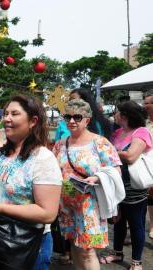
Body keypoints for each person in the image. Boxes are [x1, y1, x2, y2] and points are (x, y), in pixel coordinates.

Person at [0, 94, 62, 270]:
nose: (7, 119)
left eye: (14, 114)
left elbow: (48, 213)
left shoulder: (43, 159)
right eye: (5, 114)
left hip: (28, 246)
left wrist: (1, 208)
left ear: (33, 121)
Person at [53, 99, 121, 270]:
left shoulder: (100, 143)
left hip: (90, 204)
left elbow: (115, 171)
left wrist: (96, 177)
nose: (71, 121)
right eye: (67, 116)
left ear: (87, 120)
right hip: (66, 203)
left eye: (77, 117)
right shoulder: (61, 144)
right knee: (74, 245)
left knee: (88, 250)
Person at [100, 101, 151, 270]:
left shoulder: (141, 132)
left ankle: (137, 261)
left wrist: (109, 152)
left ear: (124, 115)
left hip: (134, 188)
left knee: (136, 223)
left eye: (117, 112)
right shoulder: (117, 133)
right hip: (115, 186)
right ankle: (117, 252)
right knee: (118, 222)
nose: (114, 115)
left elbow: (130, 156)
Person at [143, 90, 153, 239]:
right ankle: (152, 225)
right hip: (147, 165)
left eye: (147, 103)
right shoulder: (145, 123)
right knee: (150, 198)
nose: (144, 106)